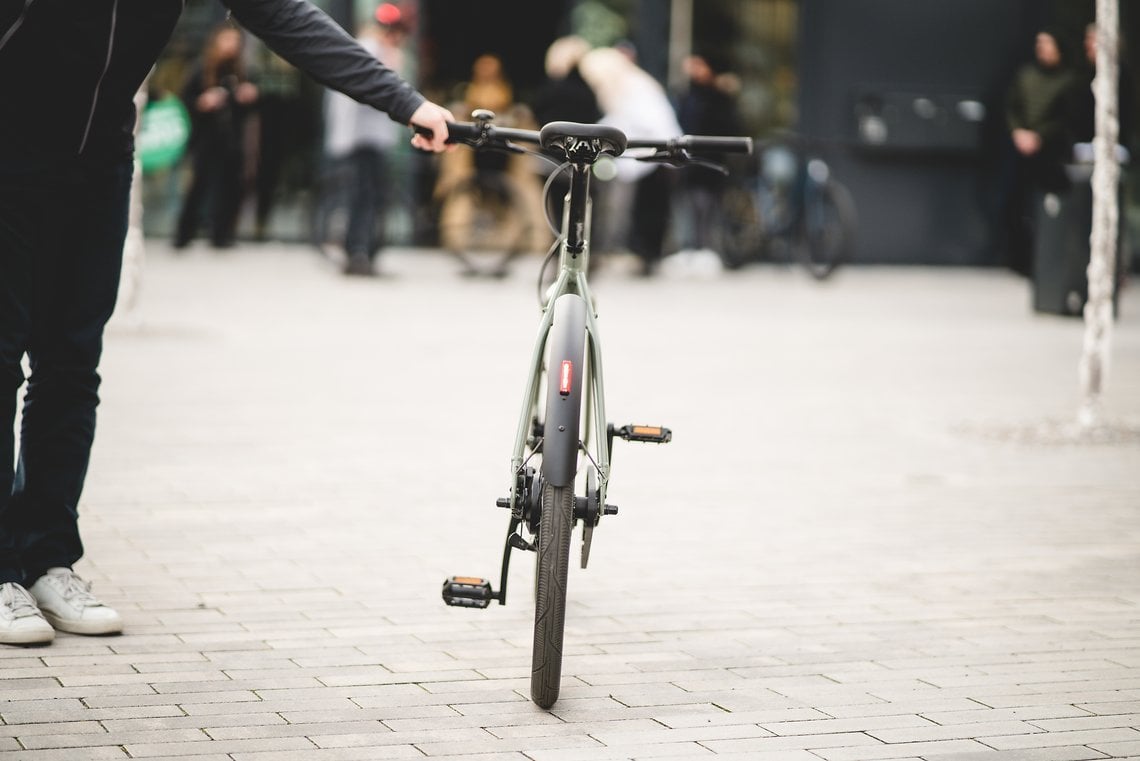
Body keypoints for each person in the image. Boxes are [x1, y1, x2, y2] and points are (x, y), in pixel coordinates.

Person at [0, 0, 453, 646]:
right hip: (7, 155)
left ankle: (47, 558)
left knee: (71, 363)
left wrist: (404, 101)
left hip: (97, 162)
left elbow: (287, 17)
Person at [321, 3, 410, 276]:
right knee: (363, 197)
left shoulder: (382, 52)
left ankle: (363, 252)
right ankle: (358, 253)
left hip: (372, 139)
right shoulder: (369, 51)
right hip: (361, 139)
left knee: (370, 197)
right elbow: (357, 98)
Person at [579, 46, 682, 275]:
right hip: (646, 159)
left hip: (654, 158)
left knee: (646, 212)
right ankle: (640, 256)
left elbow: (645, 124)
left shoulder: (632, 88)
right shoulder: (633, 85)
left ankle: (644, 257)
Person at [173, 25, 260, 250]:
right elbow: (185, 101)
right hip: (206, 139)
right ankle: (184, 234)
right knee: (199, 186)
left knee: (230, 188)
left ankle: (221, 235)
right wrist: (203, 102)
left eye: (235, 40)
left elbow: (252, 108)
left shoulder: (242, 72)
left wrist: (248, 97)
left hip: (232, 139)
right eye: (227, 40)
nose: (231, 45)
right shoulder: (201, 69)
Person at [1003, 28, 1078, 275]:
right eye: (1039, 43)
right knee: (1018, 206)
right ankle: (1021, 261)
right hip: (1023, 151)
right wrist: (1018, 132)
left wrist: (1040, 136)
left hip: (1051, 154)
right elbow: (1012, 107)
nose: (1042, 49)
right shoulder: (1026, 75)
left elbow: (1065, 118)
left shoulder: (1067, 80)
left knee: (1049, 208)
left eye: (1048, 44)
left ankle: (1049, 260)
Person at [674, 53, 743, 258]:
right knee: (690, 205)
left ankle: (706, 248)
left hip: (710, 159)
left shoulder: (718, 97)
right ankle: (691, 247)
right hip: (689, 159)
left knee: (708, 204)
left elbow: (730, 126)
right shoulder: (686, 95)